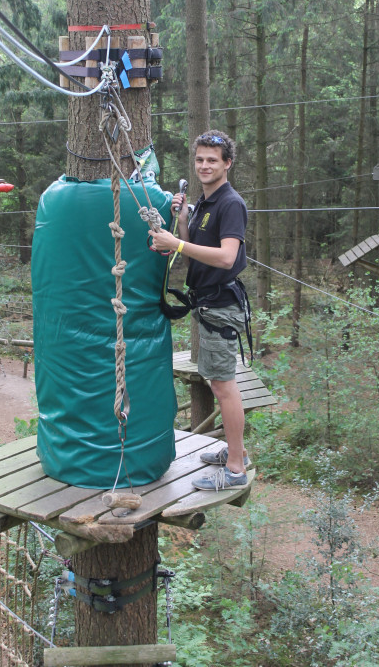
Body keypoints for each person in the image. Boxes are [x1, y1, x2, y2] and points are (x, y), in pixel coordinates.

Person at [148, 130, 250, 491]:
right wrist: (182, 220)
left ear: (227, 163)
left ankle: (235, 468)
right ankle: (233, 451)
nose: (205, 165)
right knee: (217, 381)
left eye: (212, 160)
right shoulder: (206, 202)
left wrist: (176, 243)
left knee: (224, 387)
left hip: (221, 304)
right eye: (200, 159)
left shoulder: (230, 203)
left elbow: (226, 257)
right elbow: (193, 243)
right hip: (208, 304)